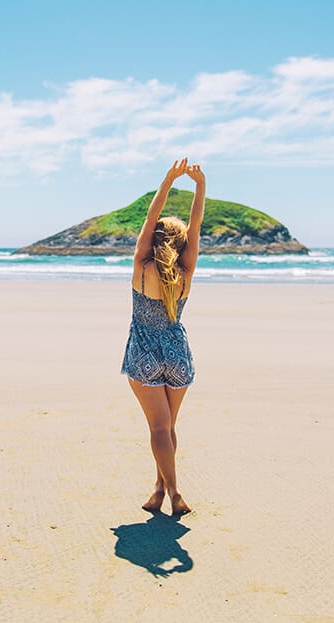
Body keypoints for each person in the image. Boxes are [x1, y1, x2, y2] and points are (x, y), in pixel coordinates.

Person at [121, 157, 205, 516]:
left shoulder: (142, 266)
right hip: (177, 354)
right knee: (168, 428)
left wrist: (168, 181)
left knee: (158, 428)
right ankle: (158, 488)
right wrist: (201, 186)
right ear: (182, 243)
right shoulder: (186, 271)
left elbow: (148, 220)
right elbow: (197, 224)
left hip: (144, 352)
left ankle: (174, 492)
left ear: (154, 241)